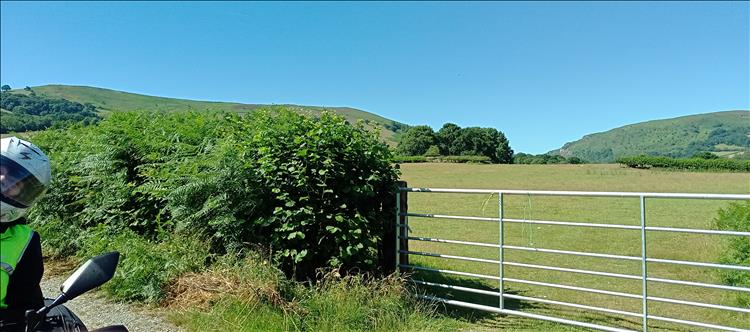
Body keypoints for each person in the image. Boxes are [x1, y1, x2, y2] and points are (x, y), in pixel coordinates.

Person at [0, 136, 51, 328]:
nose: (3, 181)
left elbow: (26, 305)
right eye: (0, 170)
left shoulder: (24, 240)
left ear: (23, 194)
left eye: (15, 182)